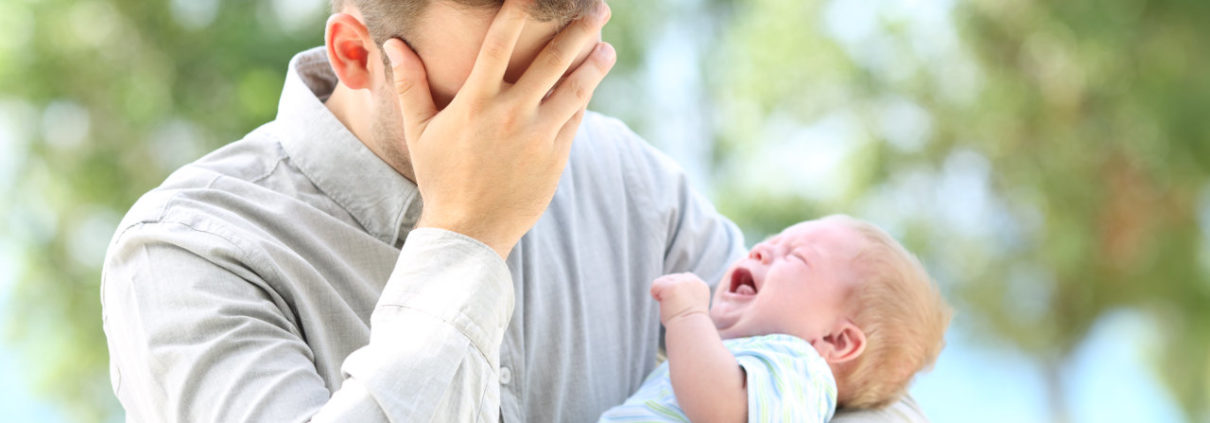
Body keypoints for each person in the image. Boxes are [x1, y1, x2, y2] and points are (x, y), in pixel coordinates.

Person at [100, 0, 931, 421]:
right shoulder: (189, 254)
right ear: (357, 55)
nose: (543, 127)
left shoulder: (634, 187)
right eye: (505, 86)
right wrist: (464, 239)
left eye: (568, 76)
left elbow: (838, 390)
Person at [599, 215, 952, 422]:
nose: (760, 249)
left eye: (796, 257)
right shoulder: (755, 360)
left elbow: (720, 407)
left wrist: (687, 315)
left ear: (835, 341)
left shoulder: (800, 368)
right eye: (770, 240)